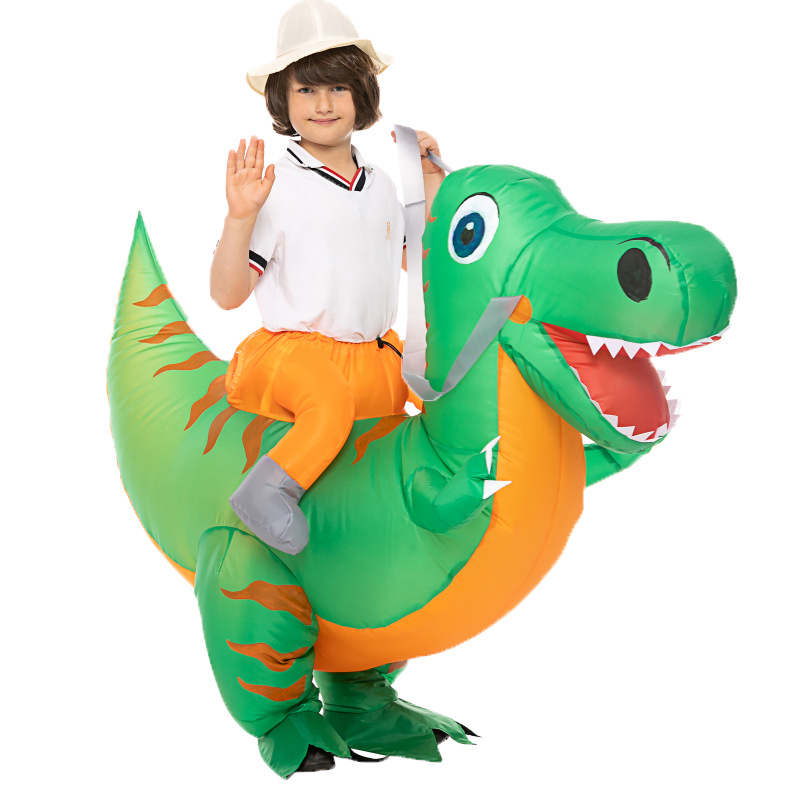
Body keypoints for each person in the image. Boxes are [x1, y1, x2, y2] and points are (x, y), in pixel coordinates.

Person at [210, 0, 444, 555]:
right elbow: (227, 294)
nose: (323, 104)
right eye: (306, 89)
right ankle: (265, 490)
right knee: (331, 403)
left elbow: (423, 263)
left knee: (433, 394)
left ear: (361, 95)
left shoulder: (381, 184)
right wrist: (240, 217)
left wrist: (431, 181)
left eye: (338, 87)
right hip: (296, 354)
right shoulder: (275, 186)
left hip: (371, 355)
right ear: (282, 99)